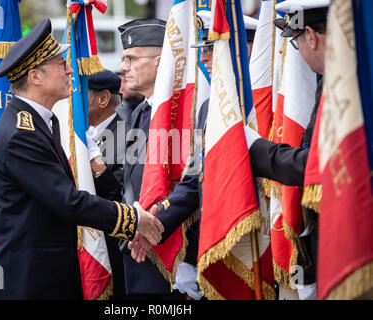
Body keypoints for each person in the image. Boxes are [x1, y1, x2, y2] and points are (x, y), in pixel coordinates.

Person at [0, 18, 164, 300]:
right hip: (29, 280)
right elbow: (67, 201)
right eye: (61, 63)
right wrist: (132, 220)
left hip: (46, 275)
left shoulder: (41, 123)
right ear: (35, 76)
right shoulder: (21, 133)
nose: (71, 70)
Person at [128, 12, 258, 299]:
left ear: (243, 50)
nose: (205, 59)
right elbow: (193, 180)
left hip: (264, 235)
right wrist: (155, 221)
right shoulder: (207, 107)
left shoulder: (267, 101)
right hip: (226, 238)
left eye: (211, 50)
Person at [244, 0, 329, 300]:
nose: (298, 55)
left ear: (311, 36)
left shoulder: (348, 84)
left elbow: (318, 166)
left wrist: (255, 148)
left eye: (294, 44)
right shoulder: (337, 79)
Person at [118, 18, 181, 299]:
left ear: (159, 62)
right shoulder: (140, 112)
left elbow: (191, 182)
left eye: (131, 58)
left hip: (172, 249)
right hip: (139, 246)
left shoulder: (182, 111)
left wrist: (149, 227)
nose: (124, 67)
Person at [86, 69, 129, 298]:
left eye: (83, 92)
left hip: (112, 252)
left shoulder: (128, 135)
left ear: (103, 99)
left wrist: (97, 166)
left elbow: (122, 196)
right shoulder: (80, 133)